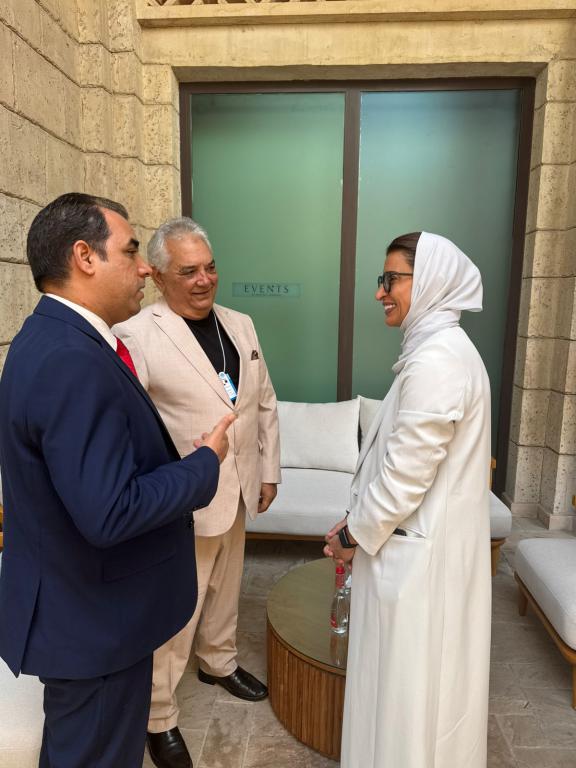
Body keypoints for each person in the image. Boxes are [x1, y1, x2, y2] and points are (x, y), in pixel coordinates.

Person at [0, 193, 235, 768]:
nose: (145, 268)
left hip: (85, 611)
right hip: (92, 625)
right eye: (130, 251)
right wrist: (203, 464)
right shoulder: (70, 359)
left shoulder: (53, 338)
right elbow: (110, 512)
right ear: (85, 257)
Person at [114, 217, 281, 768]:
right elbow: (130, 427)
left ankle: (219, 662)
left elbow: (263, 402)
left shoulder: (240, 323)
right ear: (159, 276)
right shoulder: (136, 335)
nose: (204, 280)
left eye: (210, 267)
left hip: (239, 487)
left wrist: (268, 471)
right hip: (183, 499)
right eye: (188, 271)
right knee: (176, 609)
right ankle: (158, 715)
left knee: (227, 588)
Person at [325, 232, 491, 768]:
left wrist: (352, 534)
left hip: (418, 567)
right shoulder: (435, 350)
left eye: (391, 279)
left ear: (431, 282)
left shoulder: (438, 360)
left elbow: (404, 477)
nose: (380, 292)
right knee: (403, 699)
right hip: (412, 551)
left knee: (408, 706)